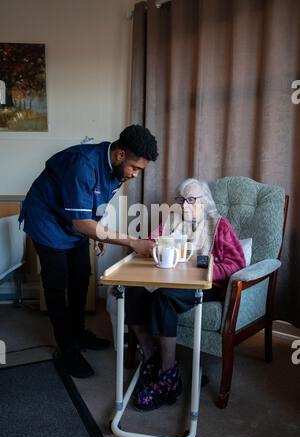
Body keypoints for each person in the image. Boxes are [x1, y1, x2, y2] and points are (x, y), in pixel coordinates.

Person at [19, 124, 158, 378]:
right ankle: (67, 350)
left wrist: (100, 228)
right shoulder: (82, 165)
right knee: (57, 282)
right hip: (47, 218)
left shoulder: (118, 172)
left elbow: (95, 201)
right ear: (120, 155)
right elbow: (81, 223)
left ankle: (79, 332)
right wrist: (132, 242)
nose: (136, 175)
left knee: (82, 275)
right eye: (135, 168)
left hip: (72, 220)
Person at [125, 178, 246, 411]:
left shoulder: (219, 225)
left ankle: (168, 375)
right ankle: (151, 358)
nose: (184, 205)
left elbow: (236, 263)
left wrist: (205, 269)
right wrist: (153, 248)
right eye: (180, 199)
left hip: (204, 287)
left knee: (163, 296)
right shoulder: (172, 221)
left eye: (191, 199)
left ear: (205, 201)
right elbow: (152, 242)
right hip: (170, 280)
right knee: (134, 291)